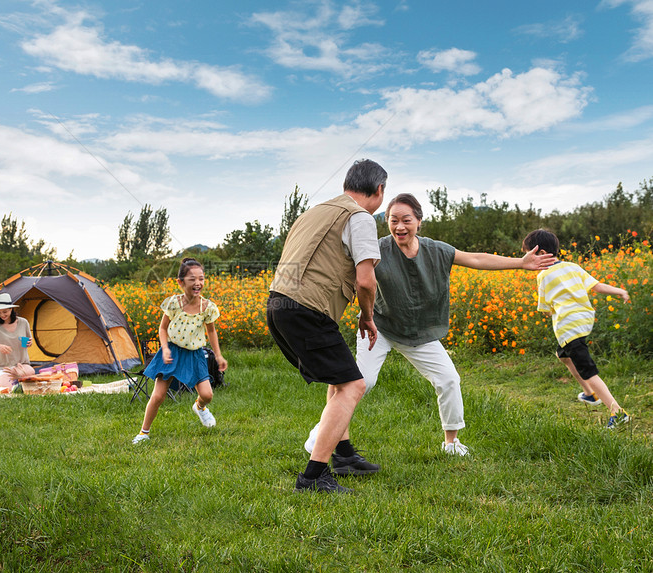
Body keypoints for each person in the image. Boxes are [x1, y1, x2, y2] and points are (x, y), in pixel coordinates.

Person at [304, 193, 556, 458]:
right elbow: (350, 274)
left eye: (406, 220)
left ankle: (451, 443)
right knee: (362, 382)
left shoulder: (436, 250)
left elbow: (477, 260)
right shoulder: (376, 249)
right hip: (380, 328)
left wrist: (521, 263)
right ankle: (320, 436)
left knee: (448, 379)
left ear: (419, 222)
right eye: (393, 220)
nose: (400, 226)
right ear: (386, 222)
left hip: (420, 332)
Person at [267, 158, 386, 494]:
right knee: (354, 387)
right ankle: (313, 476)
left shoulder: (314, 211)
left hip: (279, 304)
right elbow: (366, 281)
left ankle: (345, 455)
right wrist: (367, 316)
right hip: (309, 310)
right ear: (379, 190)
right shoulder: (359, 217)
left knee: (339, 379)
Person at [522, 228, 631, 429]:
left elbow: (545, 309)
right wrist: (620, 291)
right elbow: (596, 286)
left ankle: (617, 411)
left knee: (587, 369)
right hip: (584, 320)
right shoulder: (572, 266)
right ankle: (589, 394)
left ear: (541, 254)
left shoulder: (543, 276)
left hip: (568, 327)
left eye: (530, 255)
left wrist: (553, 309)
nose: (528, 261)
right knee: (563, 355)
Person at [132, 258, 228, 444]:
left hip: (195, 354)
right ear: (180, 282)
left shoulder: (207, 307)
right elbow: (162, 328)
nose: (198, 283)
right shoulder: (173, 304)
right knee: (158, 396)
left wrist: (218, 355)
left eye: (201, 278)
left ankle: (199, 408)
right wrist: (165, 348)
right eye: (192, 279)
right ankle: (143, 433)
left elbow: (211, 331)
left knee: (207, 395)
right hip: (172, 353)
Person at [0, 293, 36, 388]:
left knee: (31, 373)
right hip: (2, 367)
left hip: (21, 365)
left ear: (11, 309)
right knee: (10, 388)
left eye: (5, 312)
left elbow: (28, 341)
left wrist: (30, 343)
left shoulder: (23, 322)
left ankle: (17, 377)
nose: (2, 315)